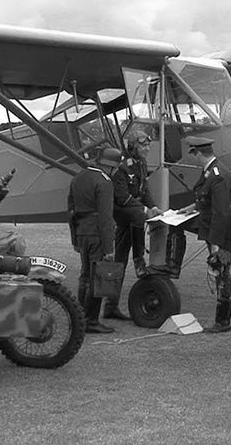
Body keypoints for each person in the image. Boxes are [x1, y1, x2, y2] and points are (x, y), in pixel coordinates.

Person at [179, 136, 231, 333]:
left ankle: (223, 321)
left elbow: (221, 212)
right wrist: (192, 207)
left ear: (198, 153)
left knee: (221, 269)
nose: (192, 158)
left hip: (223, 230)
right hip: (217, 226)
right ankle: (222, 319)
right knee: (220, 271)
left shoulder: (217, 175)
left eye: (192, 154)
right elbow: (207, 199)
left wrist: (215, 246)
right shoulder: (211, 171)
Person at [105, 130, 162, 320]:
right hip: (122, 213)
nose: (147, 149)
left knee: (118, 262)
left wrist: (153, 206)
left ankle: (110, 307)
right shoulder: (122, 167)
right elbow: (122, 197)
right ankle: (139, 260)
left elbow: (144, 190)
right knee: (138, 216)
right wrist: (146, 210)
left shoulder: (141, 164)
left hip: (133, 214)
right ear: (132, 147)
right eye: (143, 146)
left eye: (147, 146)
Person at [68, 146, 123, 333]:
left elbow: (71, 212)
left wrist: (74, 238)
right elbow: (106, 217)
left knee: (84, 276)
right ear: (111, 167)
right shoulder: (105, 182)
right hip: (97, 234)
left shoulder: (78, 178)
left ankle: (80, 317)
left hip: (82, 232)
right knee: (97, 277)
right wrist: (109, 247)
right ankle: (91, 321)